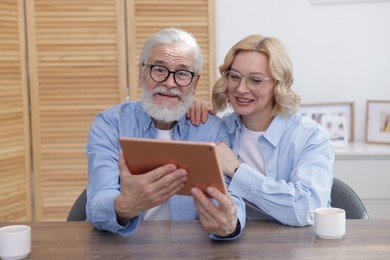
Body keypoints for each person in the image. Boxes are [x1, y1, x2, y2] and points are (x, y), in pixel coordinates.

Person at [85, 28, 245, 239]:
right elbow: (98, 201)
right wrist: (124, 206)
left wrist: (230, 223)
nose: (170, 83)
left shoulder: (212, 129)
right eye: (159, 69)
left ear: (195, 83)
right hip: (123, 247)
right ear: (142, 74)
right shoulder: (110, 124)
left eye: (182, 73)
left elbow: (230, 196)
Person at [190, 34, 334, 227]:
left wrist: (237, 171)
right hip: (234, 244)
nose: (241, 89)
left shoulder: (310, 136)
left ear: (278, 84)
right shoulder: (221, 129)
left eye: (255, 80)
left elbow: (306, 210)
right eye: (234, 76)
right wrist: (188, 111)